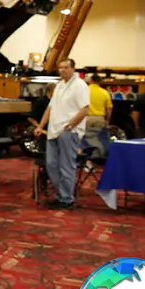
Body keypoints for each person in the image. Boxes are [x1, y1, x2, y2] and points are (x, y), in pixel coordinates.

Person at [34, 58, 90, 210]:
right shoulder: (59, 85)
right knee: (51, 165)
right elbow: (50, 108)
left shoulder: (80, 86)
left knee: (66, 166)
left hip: (68, 132)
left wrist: (70, 125)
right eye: (60, 68)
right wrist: (41, 126)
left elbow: (85, 109)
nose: (62, 70)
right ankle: (61, 195)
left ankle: (66, 199)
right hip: (53, 131)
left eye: (66, 67)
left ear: (73, 69)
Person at [85, 74, 112, 159]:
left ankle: (88, 158)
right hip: (99, 118)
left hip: (87, 118)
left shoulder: (85, 91)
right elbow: (109, 108)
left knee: (87, 140)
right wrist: (107, 120)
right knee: (99, 139)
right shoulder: (104, 92)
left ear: (91, 80)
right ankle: (98, 158)